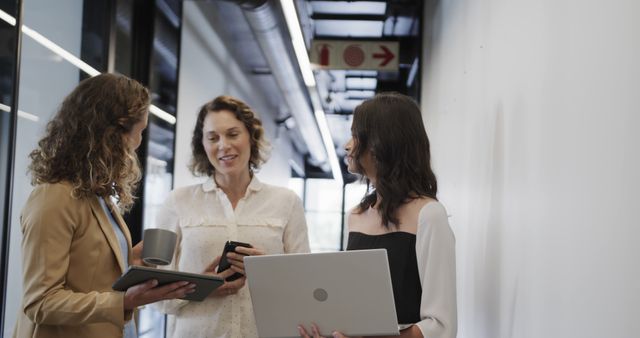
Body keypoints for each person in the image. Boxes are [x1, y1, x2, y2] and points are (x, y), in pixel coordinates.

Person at [13, 73, 195, 338]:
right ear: (113, 134)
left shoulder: (96, 196)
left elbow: (88, 269)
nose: (139, 143)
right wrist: (125, 301)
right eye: (140, 132)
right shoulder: (54, 197)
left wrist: (129, 260)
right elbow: (41, 302)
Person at [299, 93, 457, 338]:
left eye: (355, 135)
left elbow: (441, 326)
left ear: (381, 143)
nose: (347, 145)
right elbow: (351, 305)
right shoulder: (356, 215)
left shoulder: (429, 215)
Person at [153, 95, 310, 337]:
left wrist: (269, 270)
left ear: (251, 137)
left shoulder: (286, 202)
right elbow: (156, 294)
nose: (223, 145)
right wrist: (200, 287)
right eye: (213, 138)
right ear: (202, 145)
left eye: (233, 134)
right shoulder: (177, 202)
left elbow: (305, 287)